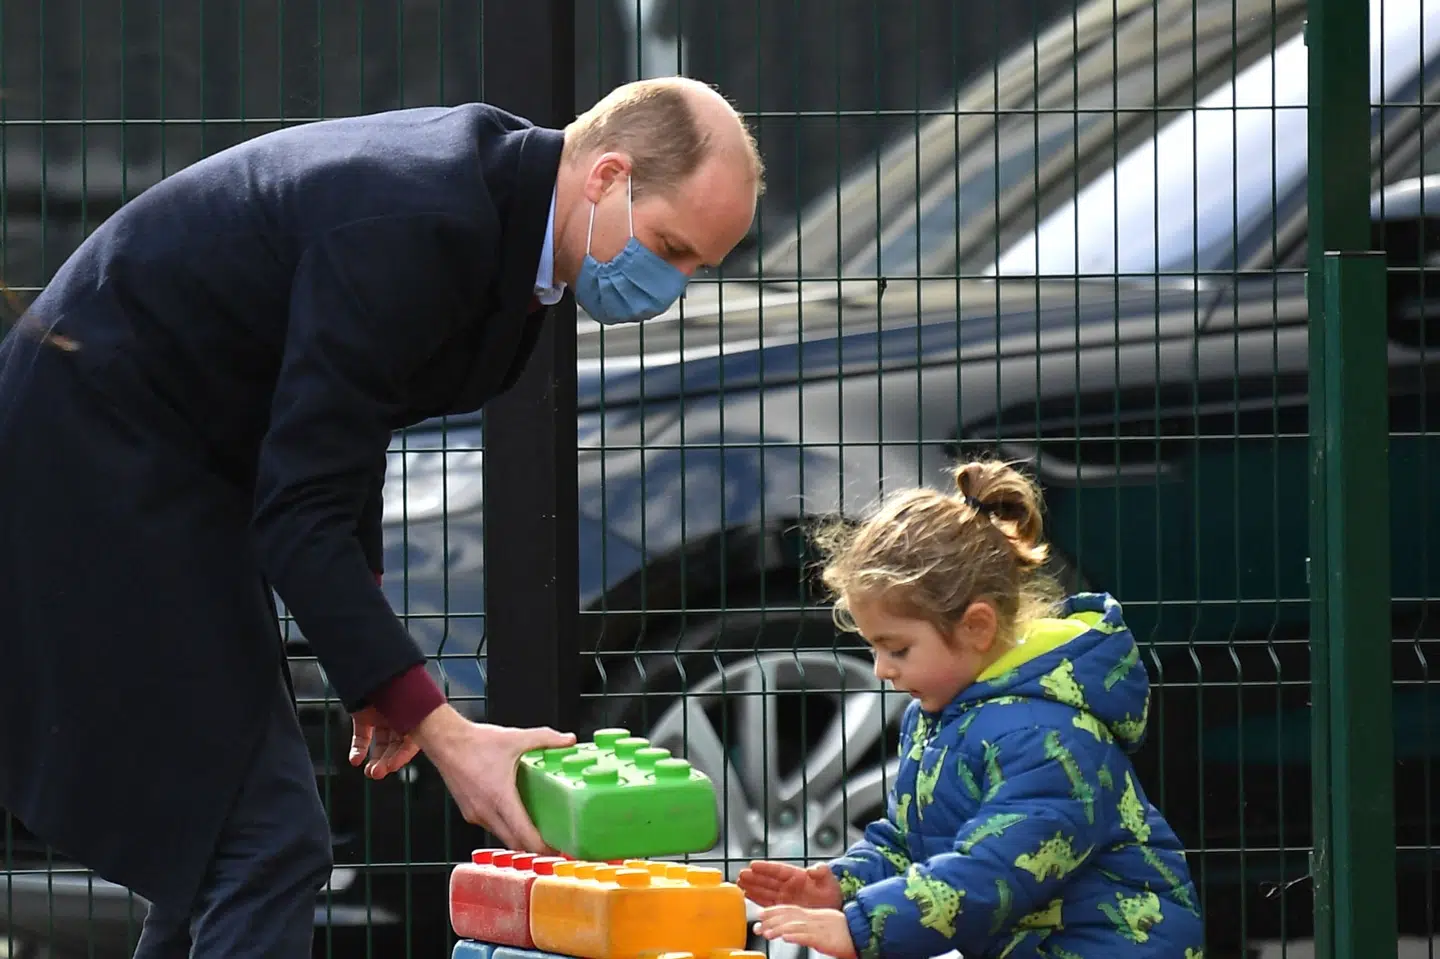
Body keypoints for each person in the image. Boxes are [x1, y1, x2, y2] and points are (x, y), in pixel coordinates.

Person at [0, 76, 763, 958]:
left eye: (699, 265)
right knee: (264, 840)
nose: (670, 284)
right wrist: (446, 732)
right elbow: (300, 509)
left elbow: (344, 436)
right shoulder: (423, 225)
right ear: (607, 177)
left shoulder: (496, 221)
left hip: (168, 463)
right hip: (96, 463)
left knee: (233, 832)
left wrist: (378, 675)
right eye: (669, 246)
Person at [737, 460, 1204, 959]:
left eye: (897, 649)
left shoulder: (1050, 736)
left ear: (976, 627)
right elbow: (909, 843)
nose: (880, 669)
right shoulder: (940, 717)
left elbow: (994, 871)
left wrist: (863, 926)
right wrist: (841, 884)